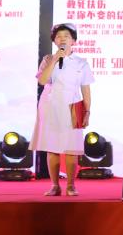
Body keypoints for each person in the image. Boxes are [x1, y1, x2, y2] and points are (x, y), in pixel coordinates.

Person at [30, 23, 93, 197]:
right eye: (58, 36)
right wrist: (54, 59)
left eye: (66, 36)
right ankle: (55, 185)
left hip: (74, 105)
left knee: (72, 148)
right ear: (54, 41)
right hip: (50, 105)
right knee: (52, 147)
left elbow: (86, 89)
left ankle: (71, 185)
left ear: (73, 41)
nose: (62, 39)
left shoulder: (81, 63)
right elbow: (42, 81)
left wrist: (87, 111)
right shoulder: (48, 59)